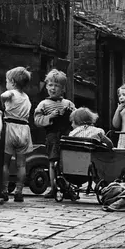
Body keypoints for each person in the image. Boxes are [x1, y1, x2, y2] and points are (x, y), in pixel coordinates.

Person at [34, 69, 75, 198]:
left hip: (66, 136)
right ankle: (53, 188)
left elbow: (77, 118)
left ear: (63, 89)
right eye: (50, 85)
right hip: (52, 136)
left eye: (56, 86)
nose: (53, 88)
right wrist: (50, 117)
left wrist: (70, 113)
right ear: (46, 86)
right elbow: (37, 121)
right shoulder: (43, 104)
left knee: (67, 162)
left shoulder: (68, 103)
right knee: (52, 162)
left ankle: (68, 187)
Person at [1, 67, 34, 202]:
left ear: (13, 82)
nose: (6, 84)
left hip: (10, 127)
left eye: (7, 81)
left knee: (5, 163)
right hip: (24, 129)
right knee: (21, 164)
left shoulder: (11, 93)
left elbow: (3, 97)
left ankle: (4, 190)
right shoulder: (26, 97)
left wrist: (0, 101)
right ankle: (19, 191)